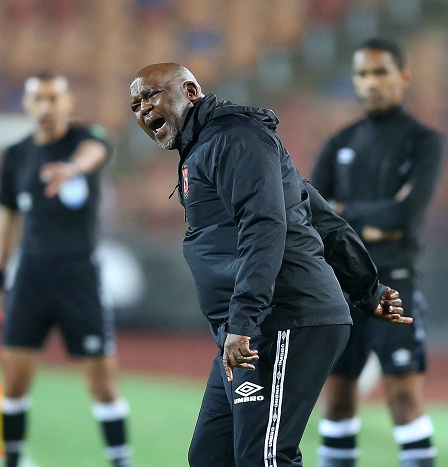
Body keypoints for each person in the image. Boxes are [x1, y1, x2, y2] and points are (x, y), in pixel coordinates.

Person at [129, 63, 412, 467]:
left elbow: (265, 226)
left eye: (152, 95)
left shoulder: (235, 138)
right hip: (251, 325)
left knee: (266, 458)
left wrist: (243, 321)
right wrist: (367, 288)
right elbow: (319, 215)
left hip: (282, 317)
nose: (143, 109)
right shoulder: (210, 146)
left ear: (190, 92)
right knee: (212, 456)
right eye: (135, 104)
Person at [0, 71, 131, 467]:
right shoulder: (16, 155)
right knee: (13, 381)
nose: (46, 107)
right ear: (27, 105)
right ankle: (11, 459)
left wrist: (73, 170)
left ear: (68, 103)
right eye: (38, 99)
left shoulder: (87, 139)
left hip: (80, 276)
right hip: (30, 277)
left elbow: (96, 152)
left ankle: (120, 459)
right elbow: (7, 218)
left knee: (102, 384)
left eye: (53, 98)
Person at [311, 37, 447, 467]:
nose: (371, 82)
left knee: (404, 398)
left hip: (395, 283)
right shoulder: (340, 141)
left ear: (403, 76)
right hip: (342, 289)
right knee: (336, 402)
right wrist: (371, 220)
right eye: (363, 74)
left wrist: (345, 213)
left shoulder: (425, 141)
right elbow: (312, 213)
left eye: (380, 72)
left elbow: (406, 213)